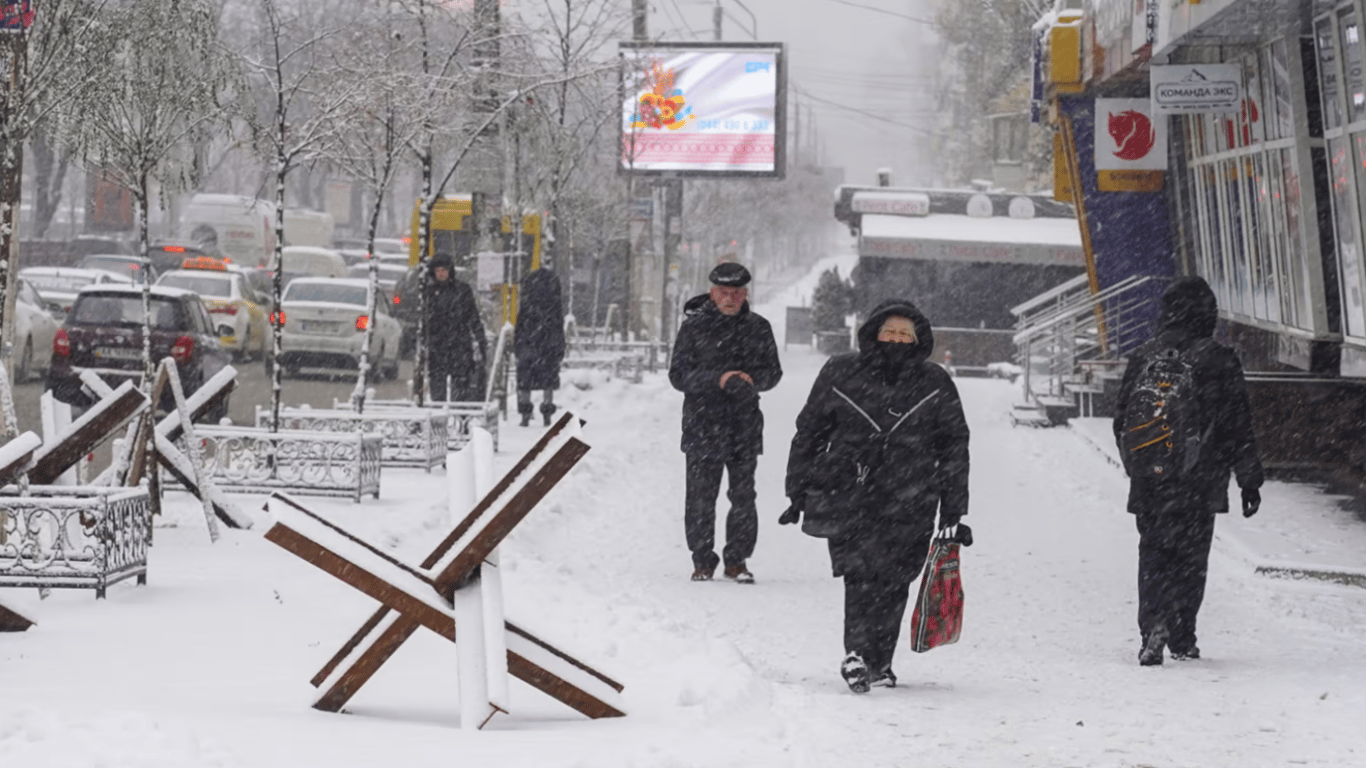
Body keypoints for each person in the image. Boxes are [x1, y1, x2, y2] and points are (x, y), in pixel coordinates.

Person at [782, 299, 969, 693]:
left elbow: (954, 446)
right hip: (852, 492)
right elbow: (810, 432)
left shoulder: (935, 382)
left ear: (919, 340)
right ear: (873, 333)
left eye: (906, 334)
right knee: (859, 575)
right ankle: (858, 655)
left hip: (913, 496)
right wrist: (796, 491)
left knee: (895, 579)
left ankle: (881, 663)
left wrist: (954, 509)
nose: (897, 340)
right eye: (890, 332)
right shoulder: (840, 372)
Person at [1112, 276, 1263, 667]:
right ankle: (1182, 634)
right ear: (1208, 313)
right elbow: (1237, 426)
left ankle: (1152, 627)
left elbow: (1121, 419)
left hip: (1151, 481)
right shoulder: (1220, 360)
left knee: (1153, 553)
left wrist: (1141, 464)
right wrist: (1249, 480)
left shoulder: (1144, 357)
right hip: (1200, 480)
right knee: (1191, 559)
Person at [668, 261, 782, 584]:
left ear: (745, 293)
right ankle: (702, 560)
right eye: (723, 292)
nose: (729, 298)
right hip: (701, 425)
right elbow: (678, 376)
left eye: (735, 293)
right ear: (712, 293)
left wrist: (751, 379)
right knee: (700, 497)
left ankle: (737, 560)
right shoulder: (693, 328)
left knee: (743, 497)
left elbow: (773, 373)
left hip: (743, 425)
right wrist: (718, 379)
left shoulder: (759, 328)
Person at [424, 252, 487, 402]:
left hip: (459, 346)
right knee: (437, 387)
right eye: (438, 271)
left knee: (461, 387)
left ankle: (460, 420)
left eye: (444, 270)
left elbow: (473, 316)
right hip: (438, 346)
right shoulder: (429, 293)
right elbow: (423, 319)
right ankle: (439, 419)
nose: (441, 274)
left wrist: (480, 338)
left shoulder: (462, 290)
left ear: (450, 271)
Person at [514, 259, 566, 427]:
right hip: (547, 346)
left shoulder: (527, 303)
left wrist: (518, 345)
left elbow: (520, 324)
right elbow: (558, 326)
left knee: (525, 380)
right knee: (548, 380)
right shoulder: (554, 305)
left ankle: (525, 413)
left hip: (529, 345)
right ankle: (547, 412)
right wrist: (559, 347)